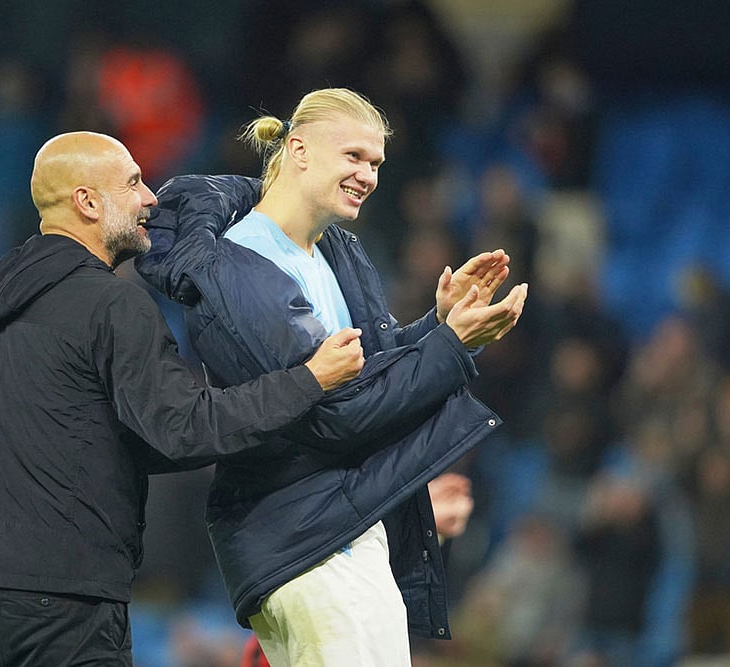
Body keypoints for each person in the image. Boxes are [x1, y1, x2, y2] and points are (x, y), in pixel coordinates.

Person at [0, 131, 367, 667]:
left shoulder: (6, 306)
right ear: (87, 202)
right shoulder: (112, 303)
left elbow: (110, 439)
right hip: (63, 597)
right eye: (134, 183)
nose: (151, 199)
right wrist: (309, 380)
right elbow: (184, 428)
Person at [136, 88, 528, 665]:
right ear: (296, 149)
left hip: (343, 527)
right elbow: (335, 414)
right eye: (353, 157)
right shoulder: (238, 264)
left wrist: (439, 324)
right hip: (302, 540)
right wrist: (451, 346)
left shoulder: (339, 251)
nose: (367, 175)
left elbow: (366, 369)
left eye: (375, 163)